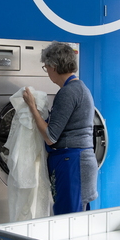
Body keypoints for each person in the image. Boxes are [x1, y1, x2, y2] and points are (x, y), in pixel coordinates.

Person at [22, 42, 99, 214]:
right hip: (78, 162)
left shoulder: (68, 92)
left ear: (54, 66)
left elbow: (50, 136)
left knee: (68, 221)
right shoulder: (80, 89)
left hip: (72, 163)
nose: (47, 71)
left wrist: (32, 107)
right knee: (77, 219)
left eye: (46, 67)